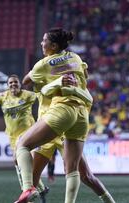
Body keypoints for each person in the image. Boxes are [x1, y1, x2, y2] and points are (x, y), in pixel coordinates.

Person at [14, 28, 93, 203]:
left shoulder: (43, 64)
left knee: (22, 145)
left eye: (44, 41)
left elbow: (26, 81)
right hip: (80, 113)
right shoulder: (75, 57)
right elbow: (85, 76)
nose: (41, 43)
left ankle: (29, 189)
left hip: (58, 113)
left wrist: (44, 78)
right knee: (74, 171)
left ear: (53, 45)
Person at [32, 91, 116, 203]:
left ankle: (109, 201)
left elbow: (88, 99)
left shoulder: (70, 81)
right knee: (31, 175)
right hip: (45, 133)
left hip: (66, 135)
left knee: (86, 176)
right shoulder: (41, 77)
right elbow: (27, 81)